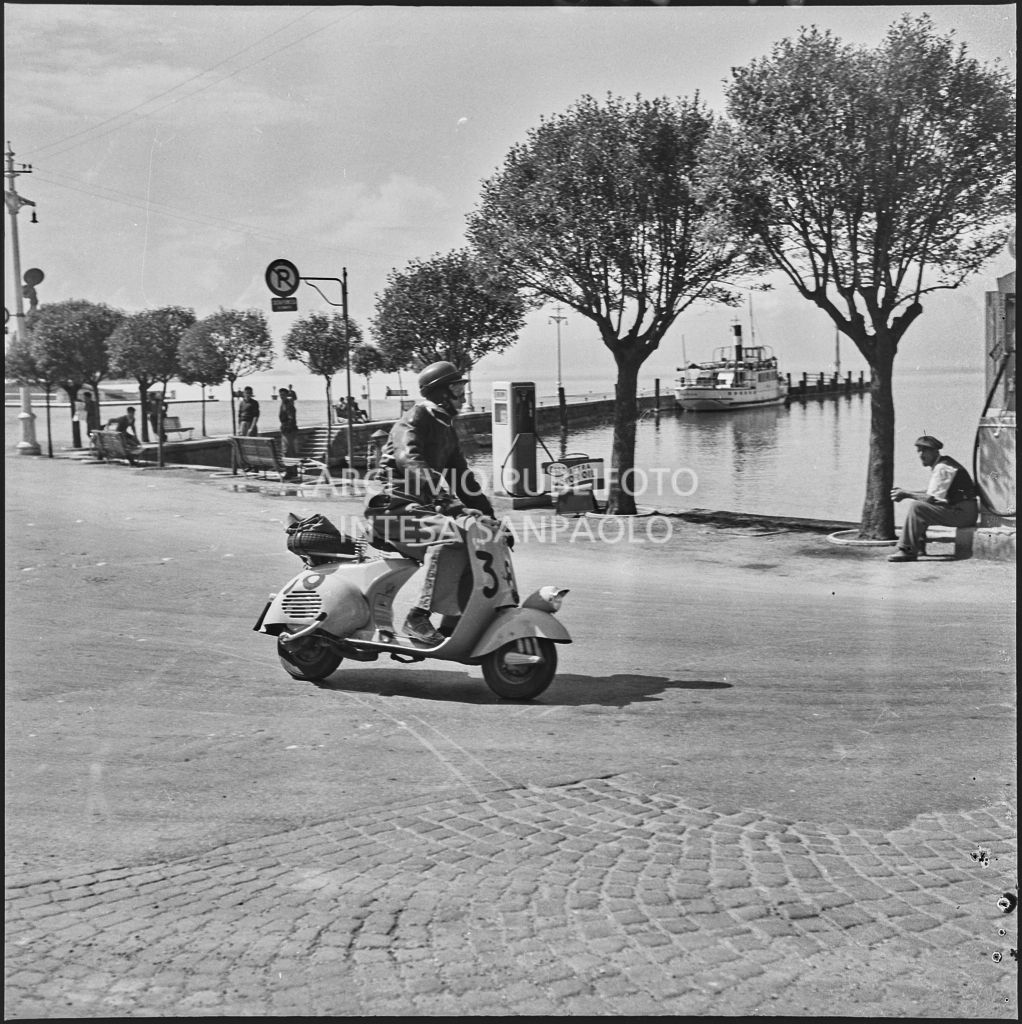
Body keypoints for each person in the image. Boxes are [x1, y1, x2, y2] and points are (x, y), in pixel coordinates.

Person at [364, 360, 495, 645]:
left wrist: (490, 517)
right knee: (452, 536)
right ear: (440, 393)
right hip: (391, 509)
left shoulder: (445, 427)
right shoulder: (414, 419)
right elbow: (410, 460)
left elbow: (464, 479)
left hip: (419, 508)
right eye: (457, 388)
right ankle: (418, 617)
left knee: (478, 538)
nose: (462, 394)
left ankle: (454, 618)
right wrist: (442, 496)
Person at [888, 435, 978, 562]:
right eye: (919, 450)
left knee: (918, 507)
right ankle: (918, 548)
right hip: (963, 511)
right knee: (921, 505)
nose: (921, 454)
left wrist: (906, 494)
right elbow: (931, 494)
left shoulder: (943, 468)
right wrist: (906, 493)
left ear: (936, 452)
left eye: (925, 450)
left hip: (963, 514)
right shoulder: (943, 464)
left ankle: (907, 550)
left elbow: (929, 498)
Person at [278, 387, 300, 479]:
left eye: (283, 395)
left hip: (289, 431)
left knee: (288, 452)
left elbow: (291, 419)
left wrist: (287, 427)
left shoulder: (289, 405)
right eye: (280, 395)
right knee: (288, 451)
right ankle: (292, 471)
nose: (282, 396)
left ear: (287, 395)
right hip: (285, 430)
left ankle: (291, 471)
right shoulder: (283, 404)